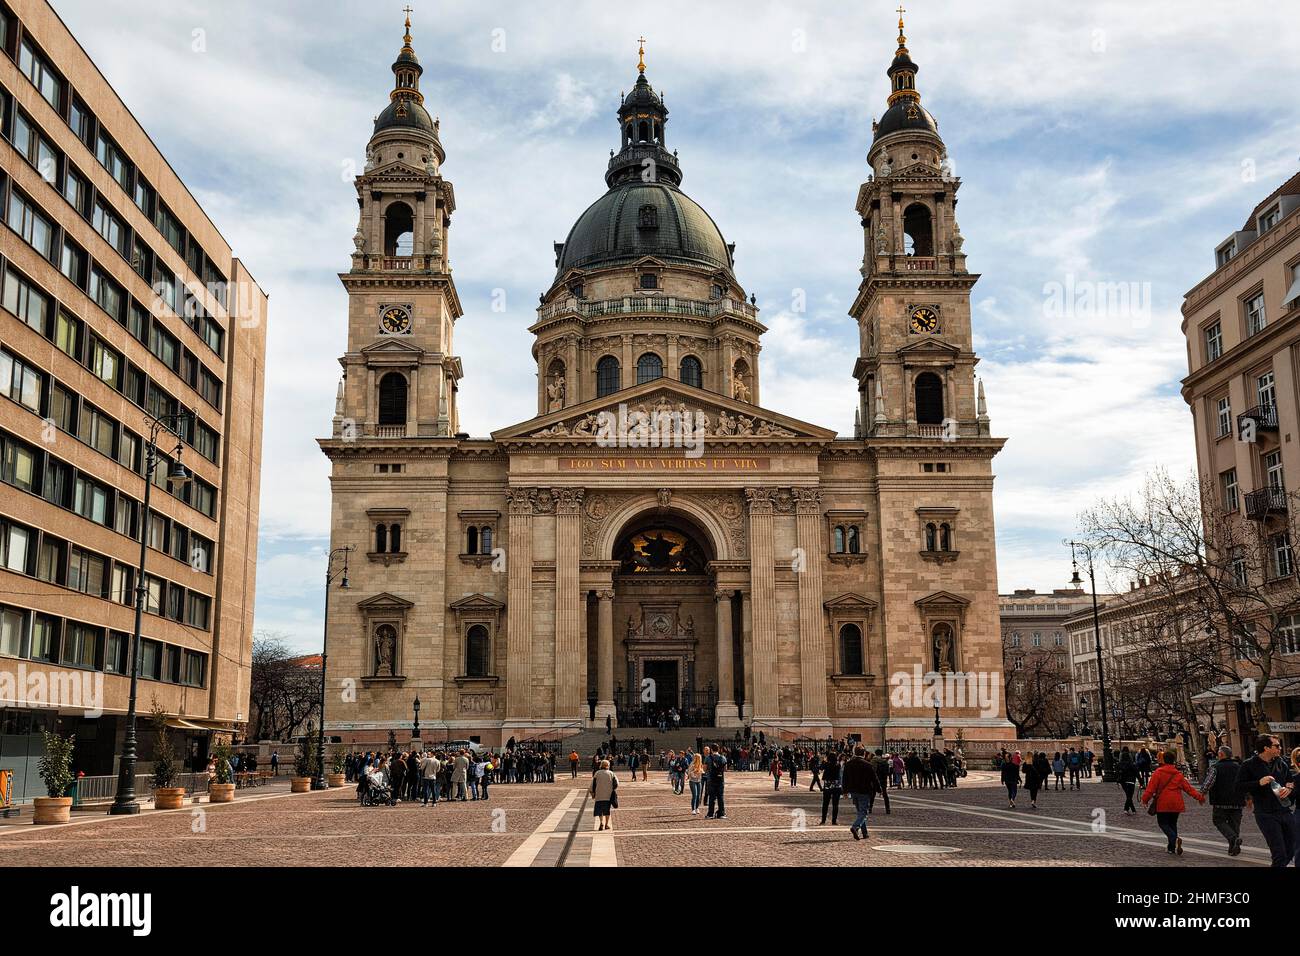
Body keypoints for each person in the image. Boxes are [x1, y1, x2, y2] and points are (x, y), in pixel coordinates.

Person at [1236, 734, 1295, 867]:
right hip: (1265, 814)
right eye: (1277, 745)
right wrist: (1258, 783)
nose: (1280, 748)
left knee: (1292, 848)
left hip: (1284, 810)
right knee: (1279, 853)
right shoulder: (1249, 765)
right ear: (1266, 748)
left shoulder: (1281, 762)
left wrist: (1288, 789)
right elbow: (1238, 786)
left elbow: (1290, 781)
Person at [1141, 750, 1205, 856]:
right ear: (1173, 761)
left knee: (1163, 823)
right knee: (1172, 824)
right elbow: (1189, 789)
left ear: (1163, 760)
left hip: (1163, 803)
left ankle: (1174, 840)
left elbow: (1150, 789)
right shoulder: (1178, 774)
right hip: (1176, 803)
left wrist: (1144, 800)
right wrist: (1199, 797)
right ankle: (1171, 848)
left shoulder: (1158, 773)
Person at [1201, 745, 1244, 856]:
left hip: (1221, 800)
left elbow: (1208, 783)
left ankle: (1233, 839)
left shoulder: (1215, 767)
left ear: (1221, 755)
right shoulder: (1239, 767)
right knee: (1234, 824)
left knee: (1218, 821)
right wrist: (1248, 797)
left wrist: (1202, 793)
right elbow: (1244, 783)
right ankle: (1233, 848)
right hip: (1237, 800)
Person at [842, 745, 879, 840]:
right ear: (863, 753)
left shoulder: (848, 764)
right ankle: (855, 827)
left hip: (853, 791)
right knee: (863, 813)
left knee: (860, 812)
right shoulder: (868, 765)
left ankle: (865, 833)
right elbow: (874, 779)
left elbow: (845, 778)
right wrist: (879, 790)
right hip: (865, 791)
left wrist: (845, 791)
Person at [591, 759, 618, 831]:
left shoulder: (597, 773)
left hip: (599, 795)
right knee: (607, 810)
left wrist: (593, 793)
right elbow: (616, 784)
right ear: (607, 766)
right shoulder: (611, 773)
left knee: (600, 810)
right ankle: (606, 824)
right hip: (608, 795)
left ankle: (601, 822)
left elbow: (593, 784)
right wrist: (612, 789)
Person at [704, 745, 727, 820]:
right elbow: (725, 769)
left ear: (711, 750)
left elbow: (704, 769)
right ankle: (721, 813)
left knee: (711, 798)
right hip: (720, 780)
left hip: (711, 780)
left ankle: (710, 814)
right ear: (719, 749)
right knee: (720, 797)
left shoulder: (708, 758)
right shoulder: (723, 757)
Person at [819, 751, 842, 826]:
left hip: (828, 785)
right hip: (836, 786)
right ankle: (834, 821)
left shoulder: (826, 764)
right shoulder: (838, 765)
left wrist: (824, 761)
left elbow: (821, 768)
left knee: (825, 804)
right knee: (835, 804)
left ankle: (823, 820)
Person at [1116, 747, 1138, 815]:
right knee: (1129, 796)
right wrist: (1141, 781)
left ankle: (1131, 809)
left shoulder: (1119, 764)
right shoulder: (1132, 764)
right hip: (1131, 781)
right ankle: (1128, 809)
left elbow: (1117, 773)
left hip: (1123, 781)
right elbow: (1136, 773)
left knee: (1128, 795)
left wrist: (1118, 780)